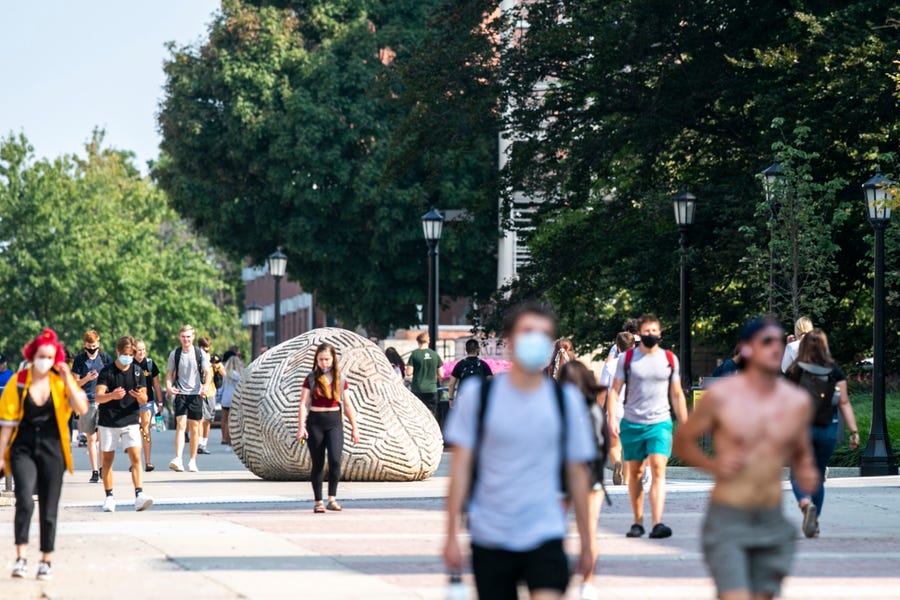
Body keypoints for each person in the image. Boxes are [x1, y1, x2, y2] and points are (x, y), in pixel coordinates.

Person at [443, 302, 596, 600]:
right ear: (509, 342)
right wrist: (450, 534)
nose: (535, 340)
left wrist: (588, 543)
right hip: (491, 535)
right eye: (527, 332)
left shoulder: (566, 401)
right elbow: (460, 471)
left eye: (543, 334)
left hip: (546, 532)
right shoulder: (479, 398)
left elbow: (578, 474)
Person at [674, 317, 820, 600]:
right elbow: (682, 441)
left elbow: (801, 450)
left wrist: (806, 470)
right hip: (729, 514)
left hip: (771, 518)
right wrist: (713, 465)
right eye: (767, 342)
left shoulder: (794, 401)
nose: (775, 348)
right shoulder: (722, 396)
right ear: (747, 348)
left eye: (779, 341)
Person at [0, 329, 89, 581]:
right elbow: (6, 425)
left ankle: (45, 560)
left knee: (49, 507)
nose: (45, 361)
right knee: (25, 501)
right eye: (41, 356)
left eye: (50, 357)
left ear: (56, 358)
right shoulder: (19, 381)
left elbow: (82, 408)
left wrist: (69, 379)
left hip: (53, 450)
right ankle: (20, 557)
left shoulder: (60, 383)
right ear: (32, 355)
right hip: (23, 449)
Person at [607, 314, 689, 539]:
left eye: (655, 331)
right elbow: (614, 392)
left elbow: (677, 394)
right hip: (633, 422)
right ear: (639, 334)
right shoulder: (626, 360)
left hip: (660, 423)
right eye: (647, 331)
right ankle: (637, 521)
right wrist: (611, 418)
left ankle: (657, 522)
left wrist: (685, 424)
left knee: (658, 470)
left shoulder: (670, 359)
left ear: (660, 334)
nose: (651, 335)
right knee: (635, 473)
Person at [785, 329, 860, 538]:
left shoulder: (795, 370)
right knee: (817, 475)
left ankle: (805, 503)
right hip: (827, 428)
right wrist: (854, 431)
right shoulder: (834, 371)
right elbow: (844, 402)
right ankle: (815, 521)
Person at [558, 360, 608, 600]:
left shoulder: (560, 408)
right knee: (585, 531)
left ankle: (581, 580)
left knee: (568, 530)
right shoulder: (591, 408)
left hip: (572, 478)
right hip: (583, 477)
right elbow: (603, 445)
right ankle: (583, 582)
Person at [296, 343, 360, 513]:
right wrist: (301, 426)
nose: (324, 363)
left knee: (335, 460)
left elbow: (347, 404)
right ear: (316, 360)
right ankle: (318, 501)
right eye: (321, 359)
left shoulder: (341, 378)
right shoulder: (311, 378)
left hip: (334, 422)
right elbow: (303, 404)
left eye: (327, 359)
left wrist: (355, 427)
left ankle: (332, 498)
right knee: (317, 463)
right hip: (315, 422)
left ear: (333, 359)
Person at [95, 336, 154, 513]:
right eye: (125, 354)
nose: (128, 357)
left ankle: (139, 495)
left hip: (130, 420)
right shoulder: (107, 372)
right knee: (107, 460)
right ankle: (109, 497)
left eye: (131, 354)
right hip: (109, 421)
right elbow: (98, 396)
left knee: (136, 457)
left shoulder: (137, 371)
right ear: (118, 352)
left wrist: (140, 396)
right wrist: (111, 396)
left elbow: (144, 398)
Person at [166, 325, 211, 473]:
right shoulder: (175, 354)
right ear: (180, 337)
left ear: (193, 337)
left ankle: (192, 461)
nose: (186, 339)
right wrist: (169, 386)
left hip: (196, 394)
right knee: (181, 425)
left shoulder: (200, 354)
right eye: (183, 336)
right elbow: (169, 374)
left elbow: (208, 372)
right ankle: (178, 459)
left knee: (194, 428)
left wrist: (205, 386)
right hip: (181, 393)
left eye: (189, 336)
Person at [72, 330, 113, 483]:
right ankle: (94, 470)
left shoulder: (105, 359)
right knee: (91, 437)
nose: (92, 349)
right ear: (84, 345)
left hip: (103, 401)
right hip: (86, 401)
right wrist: (87, 378)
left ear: (99, 344)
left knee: (102, 437)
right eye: (89, 346)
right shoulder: (79, 360)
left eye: (94, 346)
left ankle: (103, 468)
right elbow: (75, 383)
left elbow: (112, 378)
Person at [599, 332, 635, 486]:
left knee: (614, 447)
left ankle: (616, 463)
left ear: (618, 347)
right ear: (633, 346)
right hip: (634, 413)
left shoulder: (610, 366)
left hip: (614, 412)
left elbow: (601, 391)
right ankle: (626, 481)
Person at [134, 340, 163, 472]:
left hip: (147, 402)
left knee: (145, 428)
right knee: (133, 432)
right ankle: (135, 461)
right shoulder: (129, 364)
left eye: (144, 350)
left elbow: (156, 385)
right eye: (139, 350)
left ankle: (147, 461)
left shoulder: (150, 364)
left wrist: (160, 402)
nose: (142, 353)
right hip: (131, 402)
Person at [406, 333, 444, 417]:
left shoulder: (414, 354)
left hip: (417, 389)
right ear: (428, 341)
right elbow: (441, 374)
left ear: (418, 342)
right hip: (431, 389)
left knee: (418, 414)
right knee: (431, 414)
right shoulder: (435, 355)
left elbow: (408, 373)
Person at [448, 339, 493, 406]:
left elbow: (451, 384)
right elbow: (491, 382)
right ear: (478, 349)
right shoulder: (483, 364)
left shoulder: (460, 364)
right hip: (479, 398)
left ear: (466, 350)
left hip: (463, 398)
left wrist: (451, 399)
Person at [197, 337, 222, 455]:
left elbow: (224, 373)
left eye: (207, 350)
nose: (205, 352)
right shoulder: (196, 358)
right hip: (199, 392)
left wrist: (214, 365)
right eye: (203, 349)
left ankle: (204, 443)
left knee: (208, 420)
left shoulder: (213, 359)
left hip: (211, 392)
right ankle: (199, 444)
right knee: (200, 419)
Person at [219, 349, 244, 446]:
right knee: (233, 420)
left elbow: (223, 387)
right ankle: (231, 439)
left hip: (225, 399)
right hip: (235, 400)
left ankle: (224, 438)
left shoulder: (226, 375)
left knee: (224, 419)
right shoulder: (240, 375)